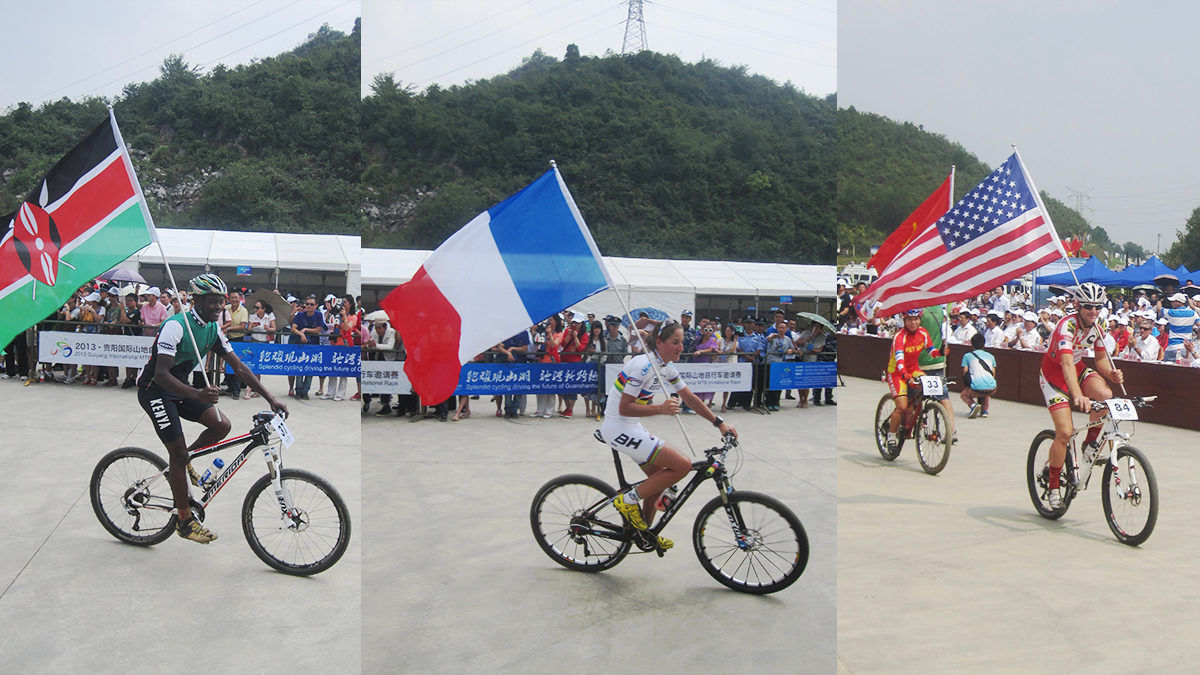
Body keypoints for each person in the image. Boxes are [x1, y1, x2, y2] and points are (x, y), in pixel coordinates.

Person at [136, 274, 287, 543]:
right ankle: (184, 521)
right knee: (178, 452)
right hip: (156, 391)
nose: (219, 308)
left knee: (221, 425)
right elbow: (160, 374)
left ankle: (179, 466)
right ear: (197, 300)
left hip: (179, 388)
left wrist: (270, 397)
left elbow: (238, 366)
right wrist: (197, 393)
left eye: (221, 302)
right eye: (213, 302)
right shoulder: (175, 326)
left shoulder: (212, 329)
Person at [601, 321, 738, 549]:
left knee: (659, 483)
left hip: (631, 426)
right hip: (618, 427)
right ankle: (627, 501)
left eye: (682, 342)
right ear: (660, 342)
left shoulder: (666, 367)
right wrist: (659, 409)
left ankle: (643, 534)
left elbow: (690, 398)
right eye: (675, 342)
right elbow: (623, 408)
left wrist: (719, 423)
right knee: (682, 465)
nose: (680, 347)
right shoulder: (643, 365)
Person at [1038, 282, 1123, 509]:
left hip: (1076, 367)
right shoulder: (1066, 327)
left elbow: (1101, 360)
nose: (1093, 311)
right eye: (1088, 306)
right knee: (1064, 433)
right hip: (1054, 375)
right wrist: (1077, 395)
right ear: (1077, 305)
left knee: (1106, 395)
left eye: (1098, 306)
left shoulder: (1099, 326)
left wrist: (1111, 373)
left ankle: (1089, 444)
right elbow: (1065, 363)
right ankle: (1054, 485)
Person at [884, 308, 937, 453]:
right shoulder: (900, 336)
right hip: (897, 372)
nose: (913, 322)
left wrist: (939, 352)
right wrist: (904, 373)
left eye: (916, 319)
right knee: (901, 407)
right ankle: (891, 435)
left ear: (920, 319)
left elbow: (931, 350)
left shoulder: (923, 333)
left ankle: (918, 417)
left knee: (926, 389)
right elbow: (899, 358)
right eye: (909, 319)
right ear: (904, 320)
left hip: (914, 369)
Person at [289, 296, 327, 400]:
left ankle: (305, 391)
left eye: (311, 304)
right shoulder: (300, 315)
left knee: (310, 369)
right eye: (307, 304)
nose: (309, 306)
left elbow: (318, 329)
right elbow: (293, 328)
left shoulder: (319, 315)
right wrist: (301, 334)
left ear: (316, 306)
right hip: (301, 344)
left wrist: (305, 330)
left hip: (313, 345)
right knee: (300, 368)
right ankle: (298, 390)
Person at [960, 333, 997, 419]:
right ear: (984, 344)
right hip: (993, 388)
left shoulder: (967, 356)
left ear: (972, 345)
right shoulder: (991, 356)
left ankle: (973, 405)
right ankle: (984, 410)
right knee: (987, 388)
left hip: (976, 388)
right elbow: (993, 374)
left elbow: (965, 373)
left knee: (963, 395)